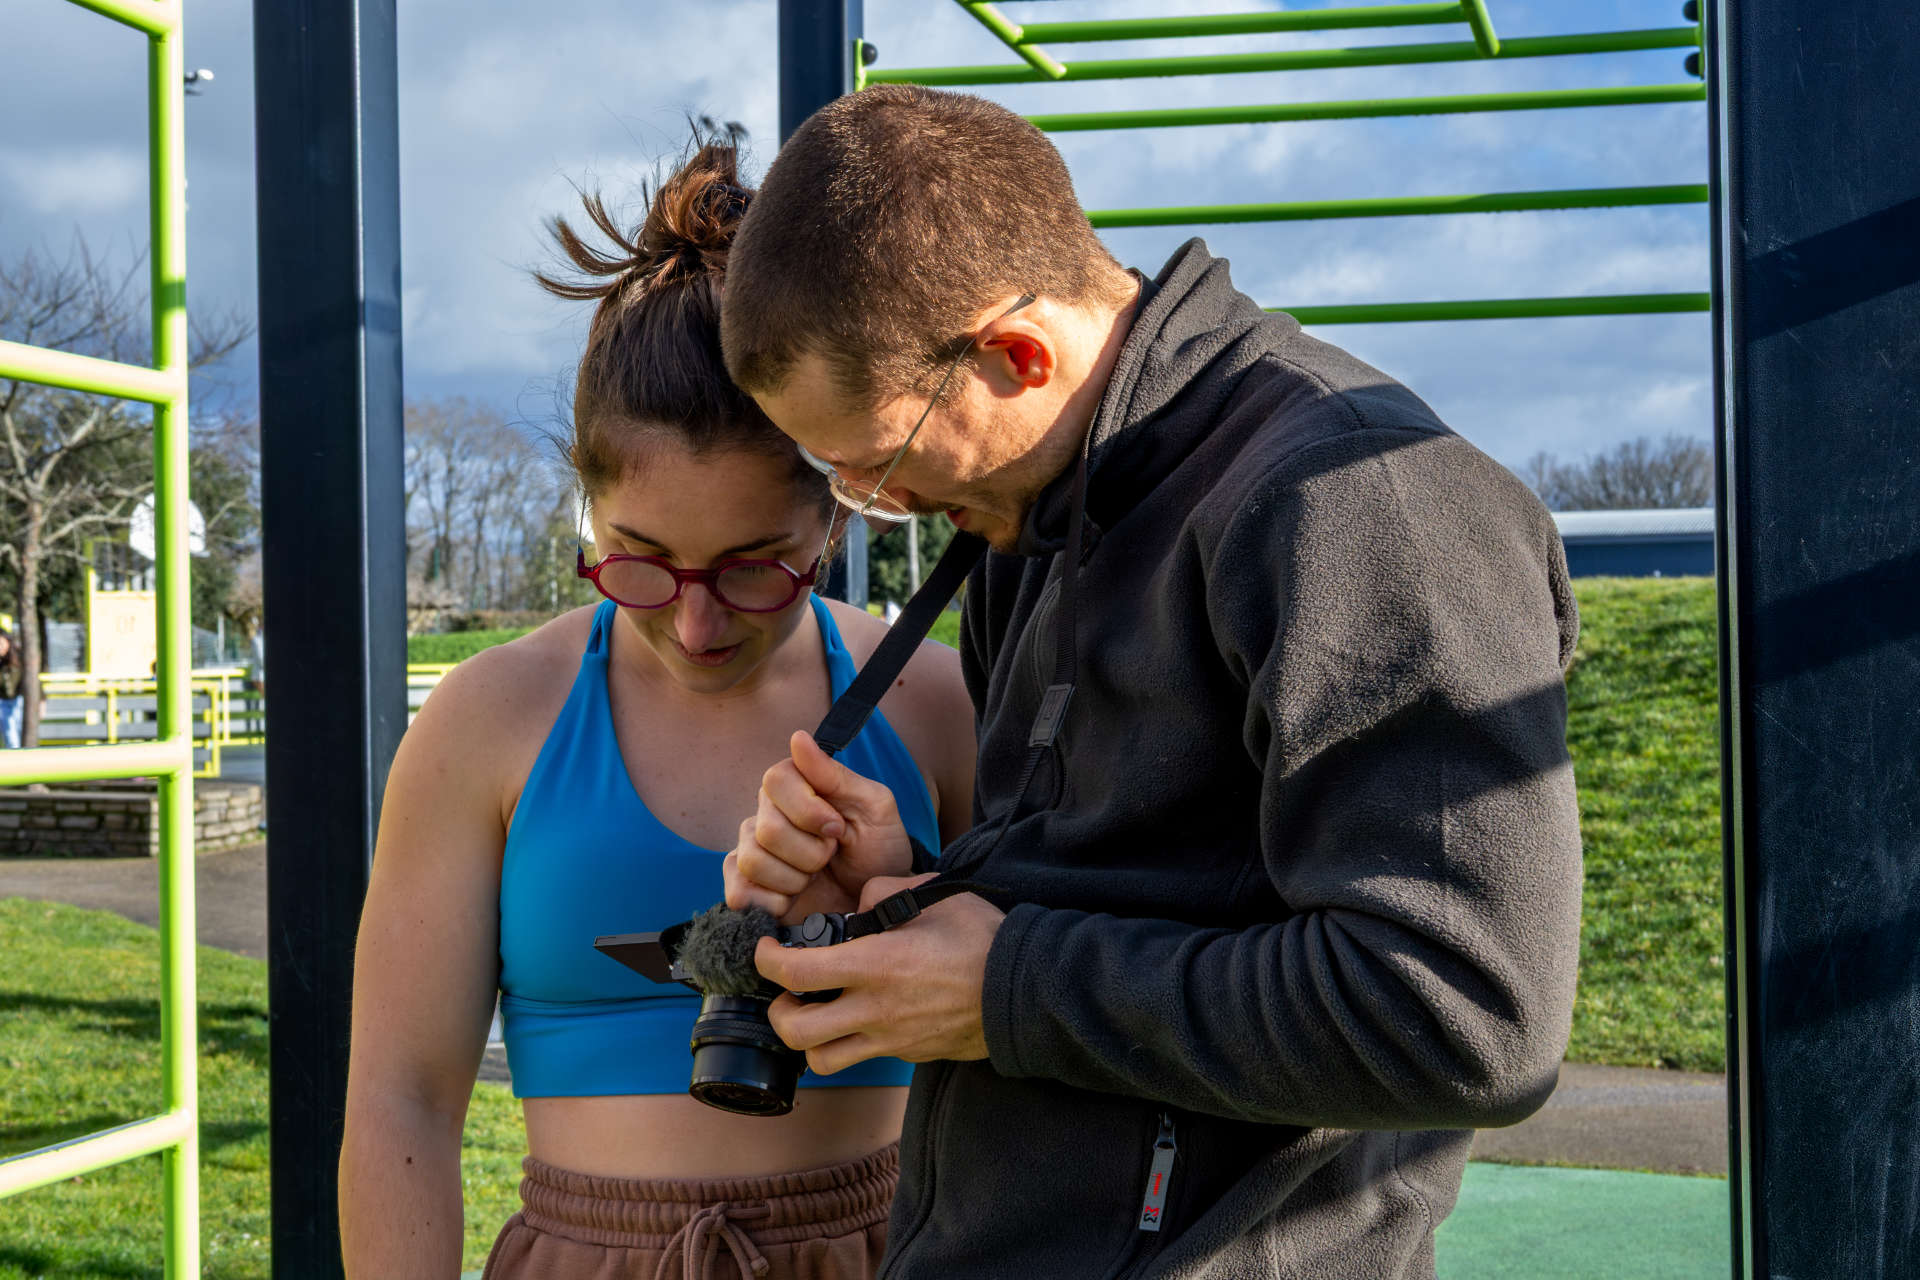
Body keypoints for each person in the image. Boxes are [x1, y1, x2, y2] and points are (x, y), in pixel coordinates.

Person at [718, 86, 1583, 1279]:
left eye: (882, 462)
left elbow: (1464, 1015)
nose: (890, 507)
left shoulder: (1363, 500)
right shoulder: (1039, 505)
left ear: (1016, 353)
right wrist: (913, 885)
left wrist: (1009, 988)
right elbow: (1153, 883)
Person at [337, 140, 976, 1280]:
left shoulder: (933, 699)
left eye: (752, 566)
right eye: (638, 560)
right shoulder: (488, 718)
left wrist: (893, 898)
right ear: (588, 510)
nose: (694, 624)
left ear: (835, 514)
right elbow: (402, 1100)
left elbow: (1039, 1023)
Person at [0, 630, 22, 749]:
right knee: (10, 735)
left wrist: (41, 701)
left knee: (18, 730)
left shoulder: (20, 660)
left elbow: (33, 682)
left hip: (19, 700)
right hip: (3, 703)